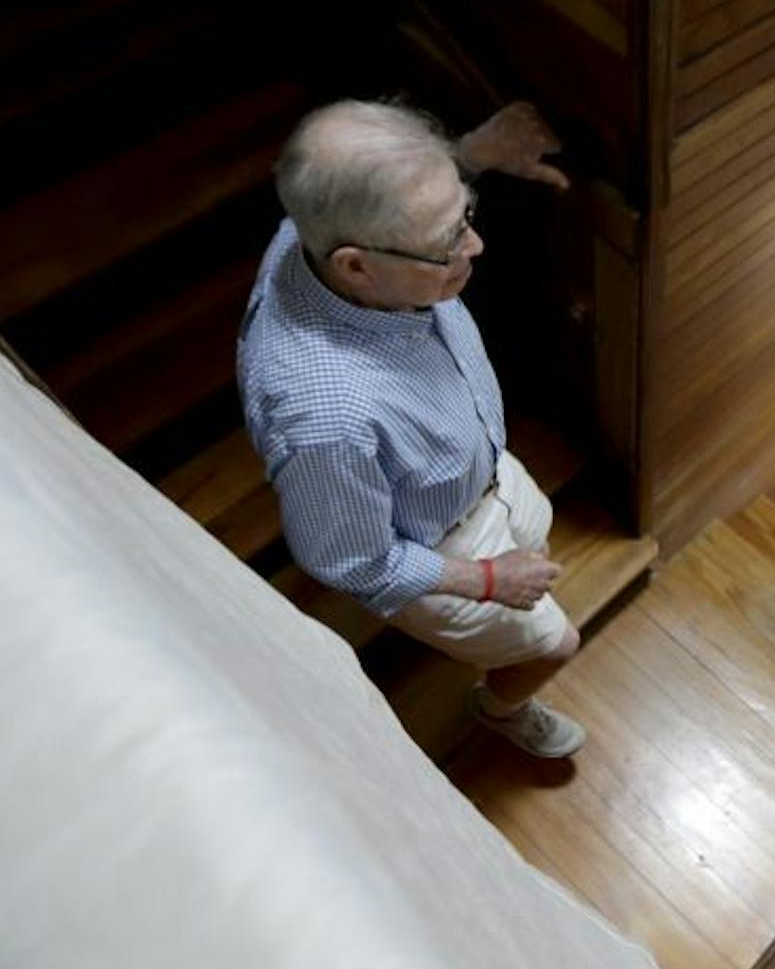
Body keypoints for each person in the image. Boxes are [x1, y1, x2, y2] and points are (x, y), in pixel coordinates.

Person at [237, 98, 586, 758]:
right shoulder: (327, 418)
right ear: (356, 266)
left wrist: (471, 153)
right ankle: (502, 705)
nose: (474, 246)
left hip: (482, 472)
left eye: (464, 216)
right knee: (556, 643)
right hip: (443, 543)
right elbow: (355, 558)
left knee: (535, 533)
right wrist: (487, 580)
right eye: (447, 239)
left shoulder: (322, 220)